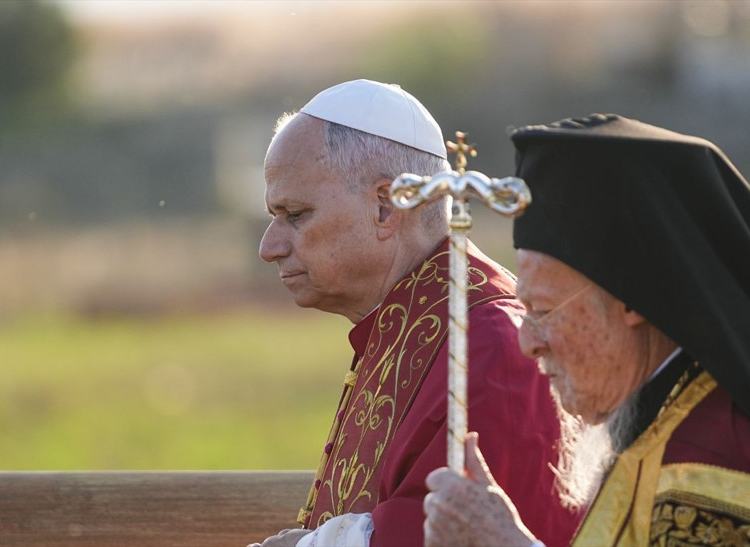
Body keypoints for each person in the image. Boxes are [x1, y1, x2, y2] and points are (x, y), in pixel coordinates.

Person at [423, 113, 750, 546]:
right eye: (525, 309)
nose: (526, 341)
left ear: (631, 299)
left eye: (546, 311)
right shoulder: (662, 420)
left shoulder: (708, 474)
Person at [248, 80, 580, 547]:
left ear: (386, 206)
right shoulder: (401, 326)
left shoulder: (491, 344)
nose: (270, 248)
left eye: (295, 215)